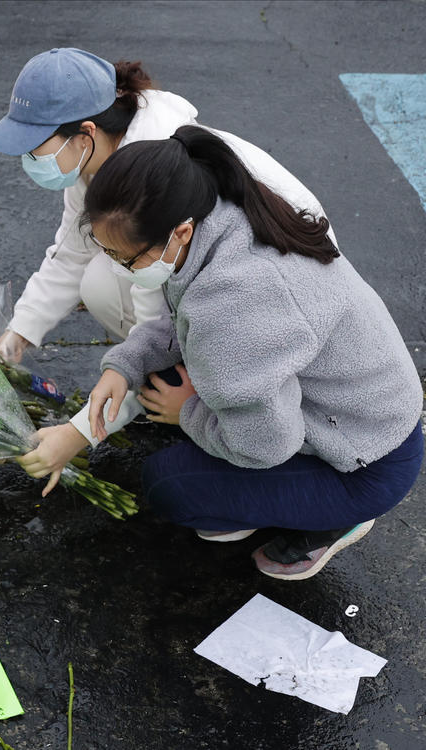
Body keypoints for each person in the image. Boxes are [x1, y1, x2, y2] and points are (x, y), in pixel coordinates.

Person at [21, 124, 423, 580]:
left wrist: (188, 412)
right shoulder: (224, 218)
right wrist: (125, 366)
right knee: (178, 391)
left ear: (180, 231)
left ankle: (331, 520)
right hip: (368, 414)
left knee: (169, 486)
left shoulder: (235, 307)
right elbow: (182, 323)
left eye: (126, 259)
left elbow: (266, 444)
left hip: (363, 463)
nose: (120, 269)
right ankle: (260, 496)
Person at [0, 48, 333, 456]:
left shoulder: (152, 181)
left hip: (282, 321)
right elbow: (70, 252)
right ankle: (181, 384)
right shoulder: (97, 161)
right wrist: (19, 333)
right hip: (243, 297)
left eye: (34, 147)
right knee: (99, 277)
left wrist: (82, 432)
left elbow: (156, 317)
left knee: (192, 496)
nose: (29, 160)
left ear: (85, 134)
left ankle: (197, 396)